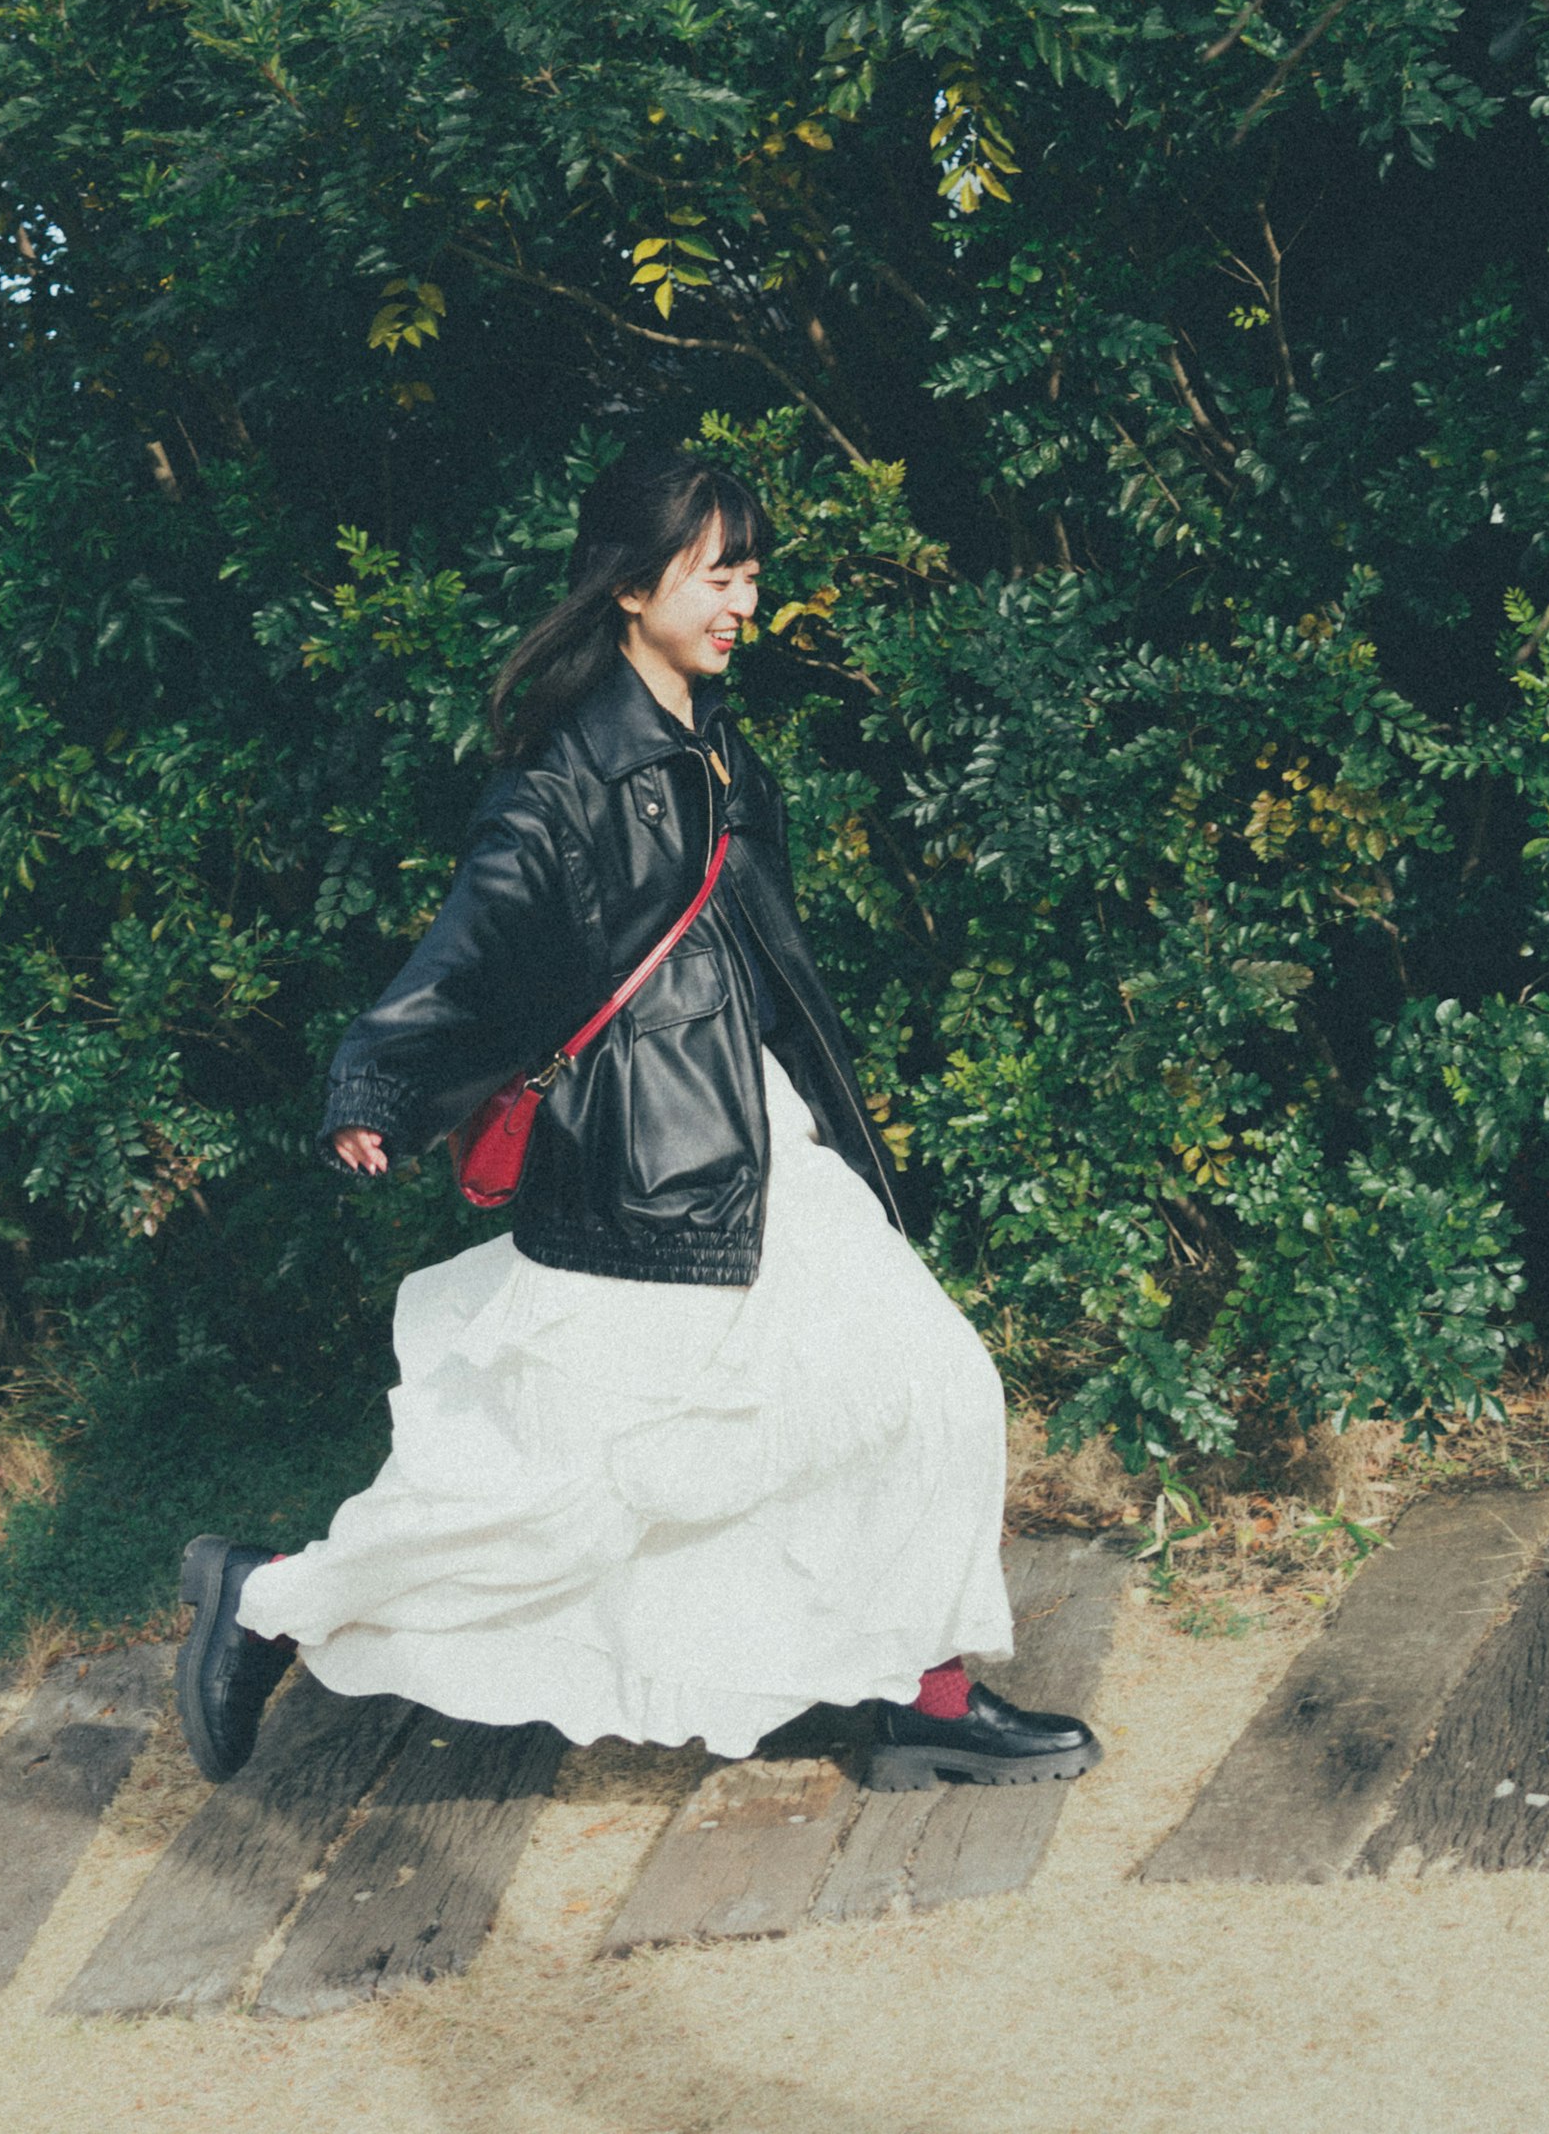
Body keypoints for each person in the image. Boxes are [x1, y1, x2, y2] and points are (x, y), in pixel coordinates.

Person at [172, 446, 1099, 1793]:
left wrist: (820, 1126)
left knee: (930, 1386)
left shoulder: (715, 747)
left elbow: (754, 958)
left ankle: (928, 1697)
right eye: (719, 573)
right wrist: (376, 1081)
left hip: (765, 1146)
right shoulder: (562, 782)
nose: (746, 599)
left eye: (752, 572)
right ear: (630, 587)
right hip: (649, 1177)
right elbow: (467, 949)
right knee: (587, 1492)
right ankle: (265, 1598)